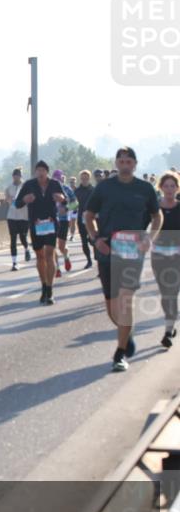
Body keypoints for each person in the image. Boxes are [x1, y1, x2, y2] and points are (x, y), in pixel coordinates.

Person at [84, 147, 163, 372]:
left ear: (135, 164)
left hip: (132, 250)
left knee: (126, 299)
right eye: (121, 161)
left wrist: (149, 238)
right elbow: (89, 215)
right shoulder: (104, 187)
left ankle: (119, 354)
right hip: (107, 249)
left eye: (129, 161)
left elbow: (157, 216)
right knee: (112, 307)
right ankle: (126, 333)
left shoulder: (145, 188)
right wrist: (95, 238)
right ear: (116, 163)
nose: (125, 165)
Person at [15, 160, 63, 305]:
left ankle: (50, 290)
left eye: (43, 170)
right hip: (35, 224)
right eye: (38, 170)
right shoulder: (29, 185)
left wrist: (62, 199)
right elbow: (17, 204)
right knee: (40, 257)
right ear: (35, 172)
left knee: (49, 255)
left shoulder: (55, 184)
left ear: (47, 172)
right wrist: (24, 199)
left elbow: (66, 200)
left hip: (51, 223)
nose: (40, 173)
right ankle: (44, 286)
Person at [151, 171, 180, 348]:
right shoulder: (155, 208)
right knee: (165, 293)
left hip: (177, 256)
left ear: (177, 188)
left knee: (172, 292)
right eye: (166, 186)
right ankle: (170, 322)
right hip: (159, 255)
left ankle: (168, 330)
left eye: (173, 186)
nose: (169, 189)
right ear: (161, 187)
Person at [4, 168, 30, 271]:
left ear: (21, 176)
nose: (16, 177)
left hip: (23, 216)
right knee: (13, 238)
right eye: (15, 175)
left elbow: (29, 198)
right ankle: (14, 263)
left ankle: (26, 248)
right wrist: (10, 200)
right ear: (13, 176)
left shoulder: (26, 187)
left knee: (23, 237)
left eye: (18, 175)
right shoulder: (8, 188)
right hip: (12, 216)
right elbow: (7, 199)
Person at [52, 170, 76, 276]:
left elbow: (76, 203)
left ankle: (66, 257)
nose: (57, 180)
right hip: (51, 220)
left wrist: (66, 209)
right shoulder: (48, 189)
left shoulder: (67, 189)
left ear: (62, 179)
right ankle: (57, 268)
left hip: (63, 220)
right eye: (55, 178)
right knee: (51, 246)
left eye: (59, 178)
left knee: (61, 247)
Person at [73, 170, 96, 269]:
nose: (84, 180)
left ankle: (97, 256)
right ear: (80, 179)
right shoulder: (77, 191)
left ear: (89, 178)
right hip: (81, 218)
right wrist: (69, 209)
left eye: (86, 178)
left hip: (92, 219)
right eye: (82, 178)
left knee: (93, 239)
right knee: (84, 241)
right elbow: (73, 204)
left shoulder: (94, 190)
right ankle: (89, 260)